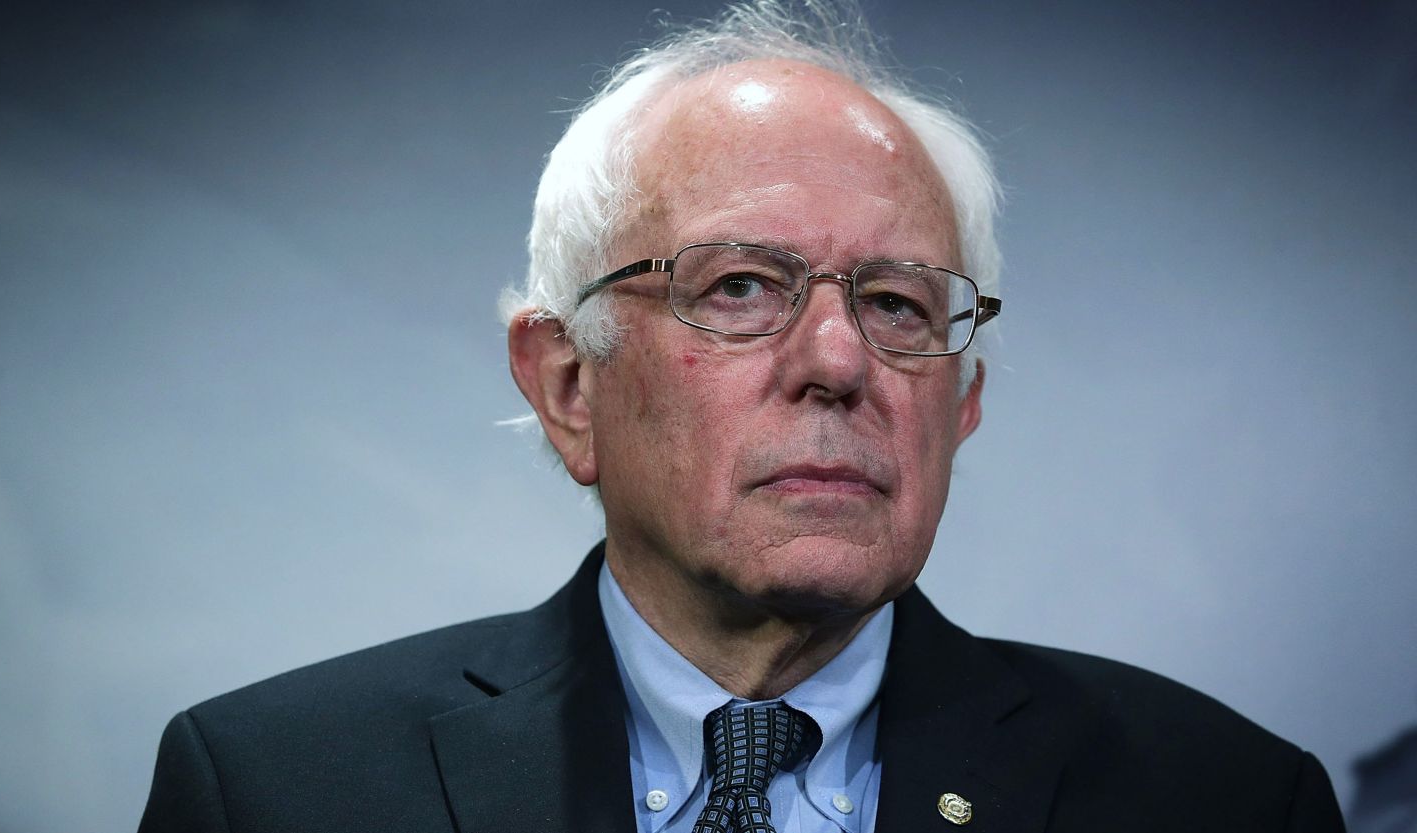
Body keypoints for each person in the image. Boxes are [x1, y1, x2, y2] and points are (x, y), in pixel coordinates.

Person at [138, 2, 1346, 831]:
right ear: (568, 386)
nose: (837, 361)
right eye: (739, 287)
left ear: (961, 403)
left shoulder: (1225, 797)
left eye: (895, 302)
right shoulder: (273, 788)